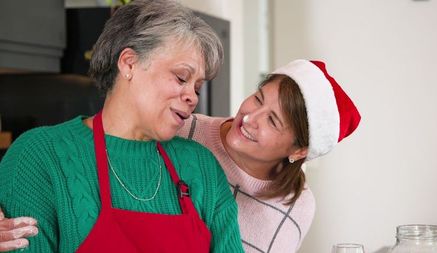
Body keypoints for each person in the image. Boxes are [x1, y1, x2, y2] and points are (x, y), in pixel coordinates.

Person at [0, 59, 361, 252]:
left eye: (273, 121)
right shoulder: (178, 126)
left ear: (298, 150)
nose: (248, 117)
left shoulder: (294, 206)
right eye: (258, 98)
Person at [0, 0, 244, 252]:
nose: (193, 97)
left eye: (197, 87)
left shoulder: (202, 168)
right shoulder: (40, 157)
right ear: (129, 63)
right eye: (181, 77)